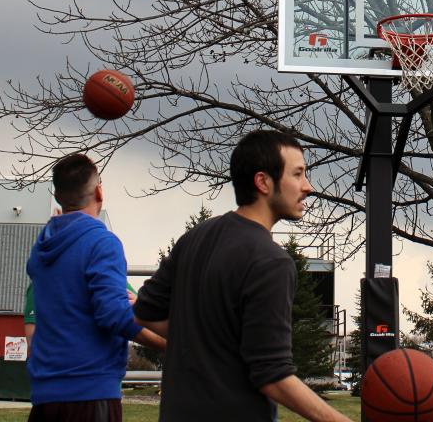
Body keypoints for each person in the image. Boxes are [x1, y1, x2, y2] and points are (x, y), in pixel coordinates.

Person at [133, 129, 352, 422]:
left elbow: (144, 312)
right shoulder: (271, 262)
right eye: (298, 174)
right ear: (263, 182)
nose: (308, 186)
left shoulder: (195, 237)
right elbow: (273, 376)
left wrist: (206, 341)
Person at [26, 153, 165, 422]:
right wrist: (167, 343)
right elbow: (113, 315)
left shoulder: (42, 247)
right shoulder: (102, 242)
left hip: (45, 397)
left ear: (57, 197)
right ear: (99, 190)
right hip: (89, 395)